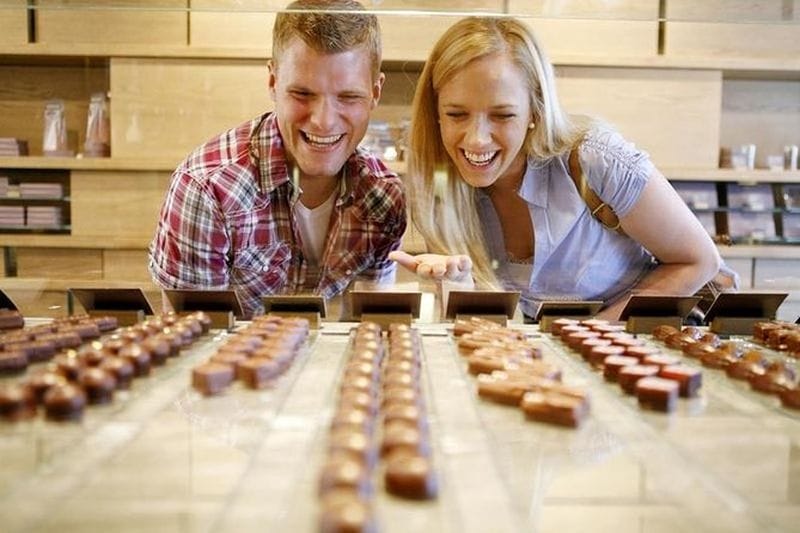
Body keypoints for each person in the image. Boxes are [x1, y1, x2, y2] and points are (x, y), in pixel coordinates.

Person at [390, 16, 736, 320]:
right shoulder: (440, 183)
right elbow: (493, 314)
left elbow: (698, 260)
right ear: (435, 114)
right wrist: (455, 286)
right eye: (456, 114)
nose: (477, 140)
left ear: (535, 112)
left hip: (639, 351)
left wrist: (595, 335)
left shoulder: (594, 159)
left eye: (502, 115)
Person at [149, 0, 406, 318]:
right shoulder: (206, 187)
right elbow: (190, 337)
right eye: (302, 94)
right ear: (273, 82)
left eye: (348, 97)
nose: (323, 121)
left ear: (375, 93)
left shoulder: (385, 197)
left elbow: (370, 326)